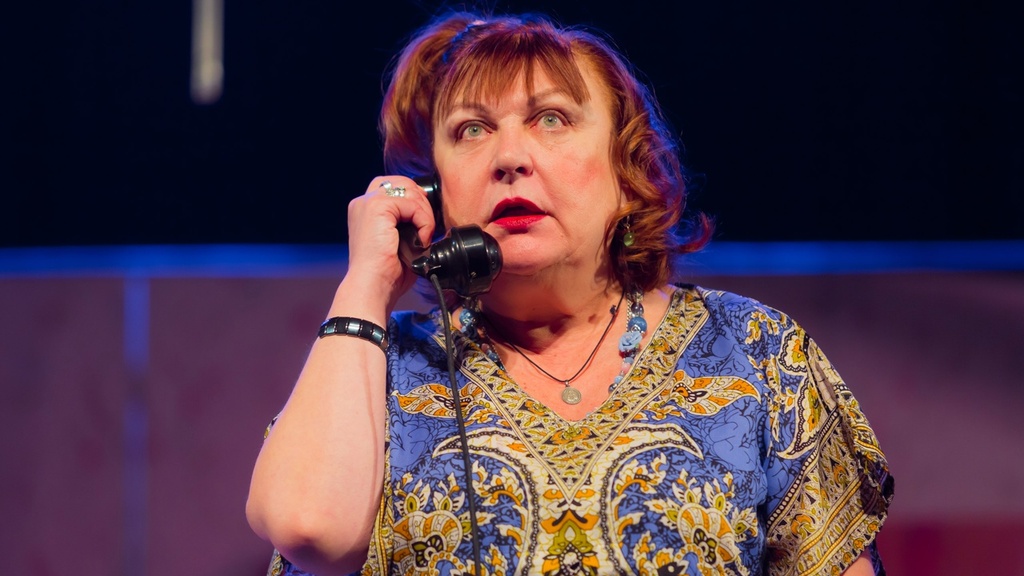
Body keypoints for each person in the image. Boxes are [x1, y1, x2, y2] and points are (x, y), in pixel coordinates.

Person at [246, 9, 894, 576]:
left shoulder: (757, 353)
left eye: (551, 119)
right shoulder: (375, 372)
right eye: (471, 130)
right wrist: (366, 282)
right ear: (433, 190)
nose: (510, 157)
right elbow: (308, 529)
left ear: (626, 166)